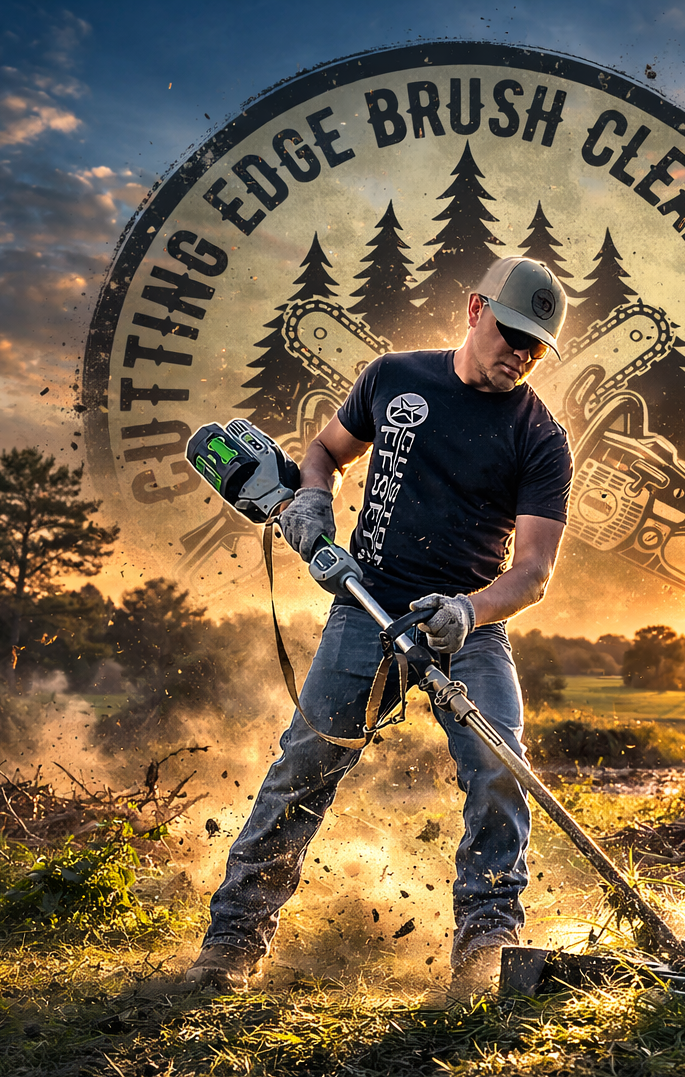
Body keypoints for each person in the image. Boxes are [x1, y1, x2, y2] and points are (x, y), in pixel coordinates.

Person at [186, 256, 573, 998]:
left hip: (468, 624)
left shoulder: (541, 439)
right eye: (511, 331)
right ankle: (230, 944)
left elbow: (534, 572)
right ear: (474, 309)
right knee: (304, 767)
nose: (519, 353)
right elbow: (326, 452)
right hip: (366, 600)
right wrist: (309, 501)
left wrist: (466, 611)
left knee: (501, 767)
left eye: (535, 345)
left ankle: (487, 944)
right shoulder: (394, 376)